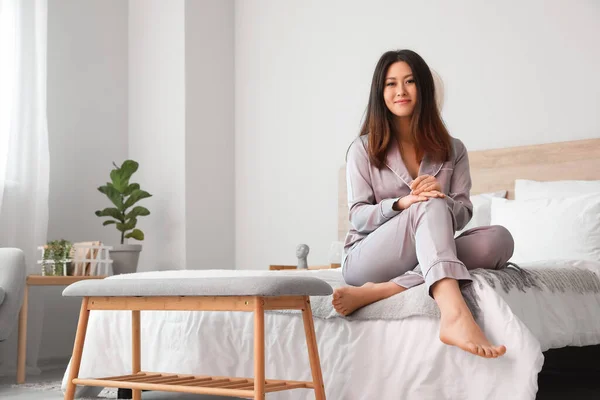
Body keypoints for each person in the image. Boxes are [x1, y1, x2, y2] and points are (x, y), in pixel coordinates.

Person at [332, 49, 514, 359]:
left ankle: (386, 290)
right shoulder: (362, 149)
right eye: (391, 84)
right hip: (368, 258)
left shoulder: (453, 150)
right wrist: (404, 203)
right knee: (426, 205)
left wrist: (440, 199)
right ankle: (454, 313)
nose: (400, 91)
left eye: (410, 81)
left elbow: (463, 213)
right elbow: (358, 217)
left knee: (499, 240)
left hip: (427, 246)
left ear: (424, 88)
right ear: (380, 92)